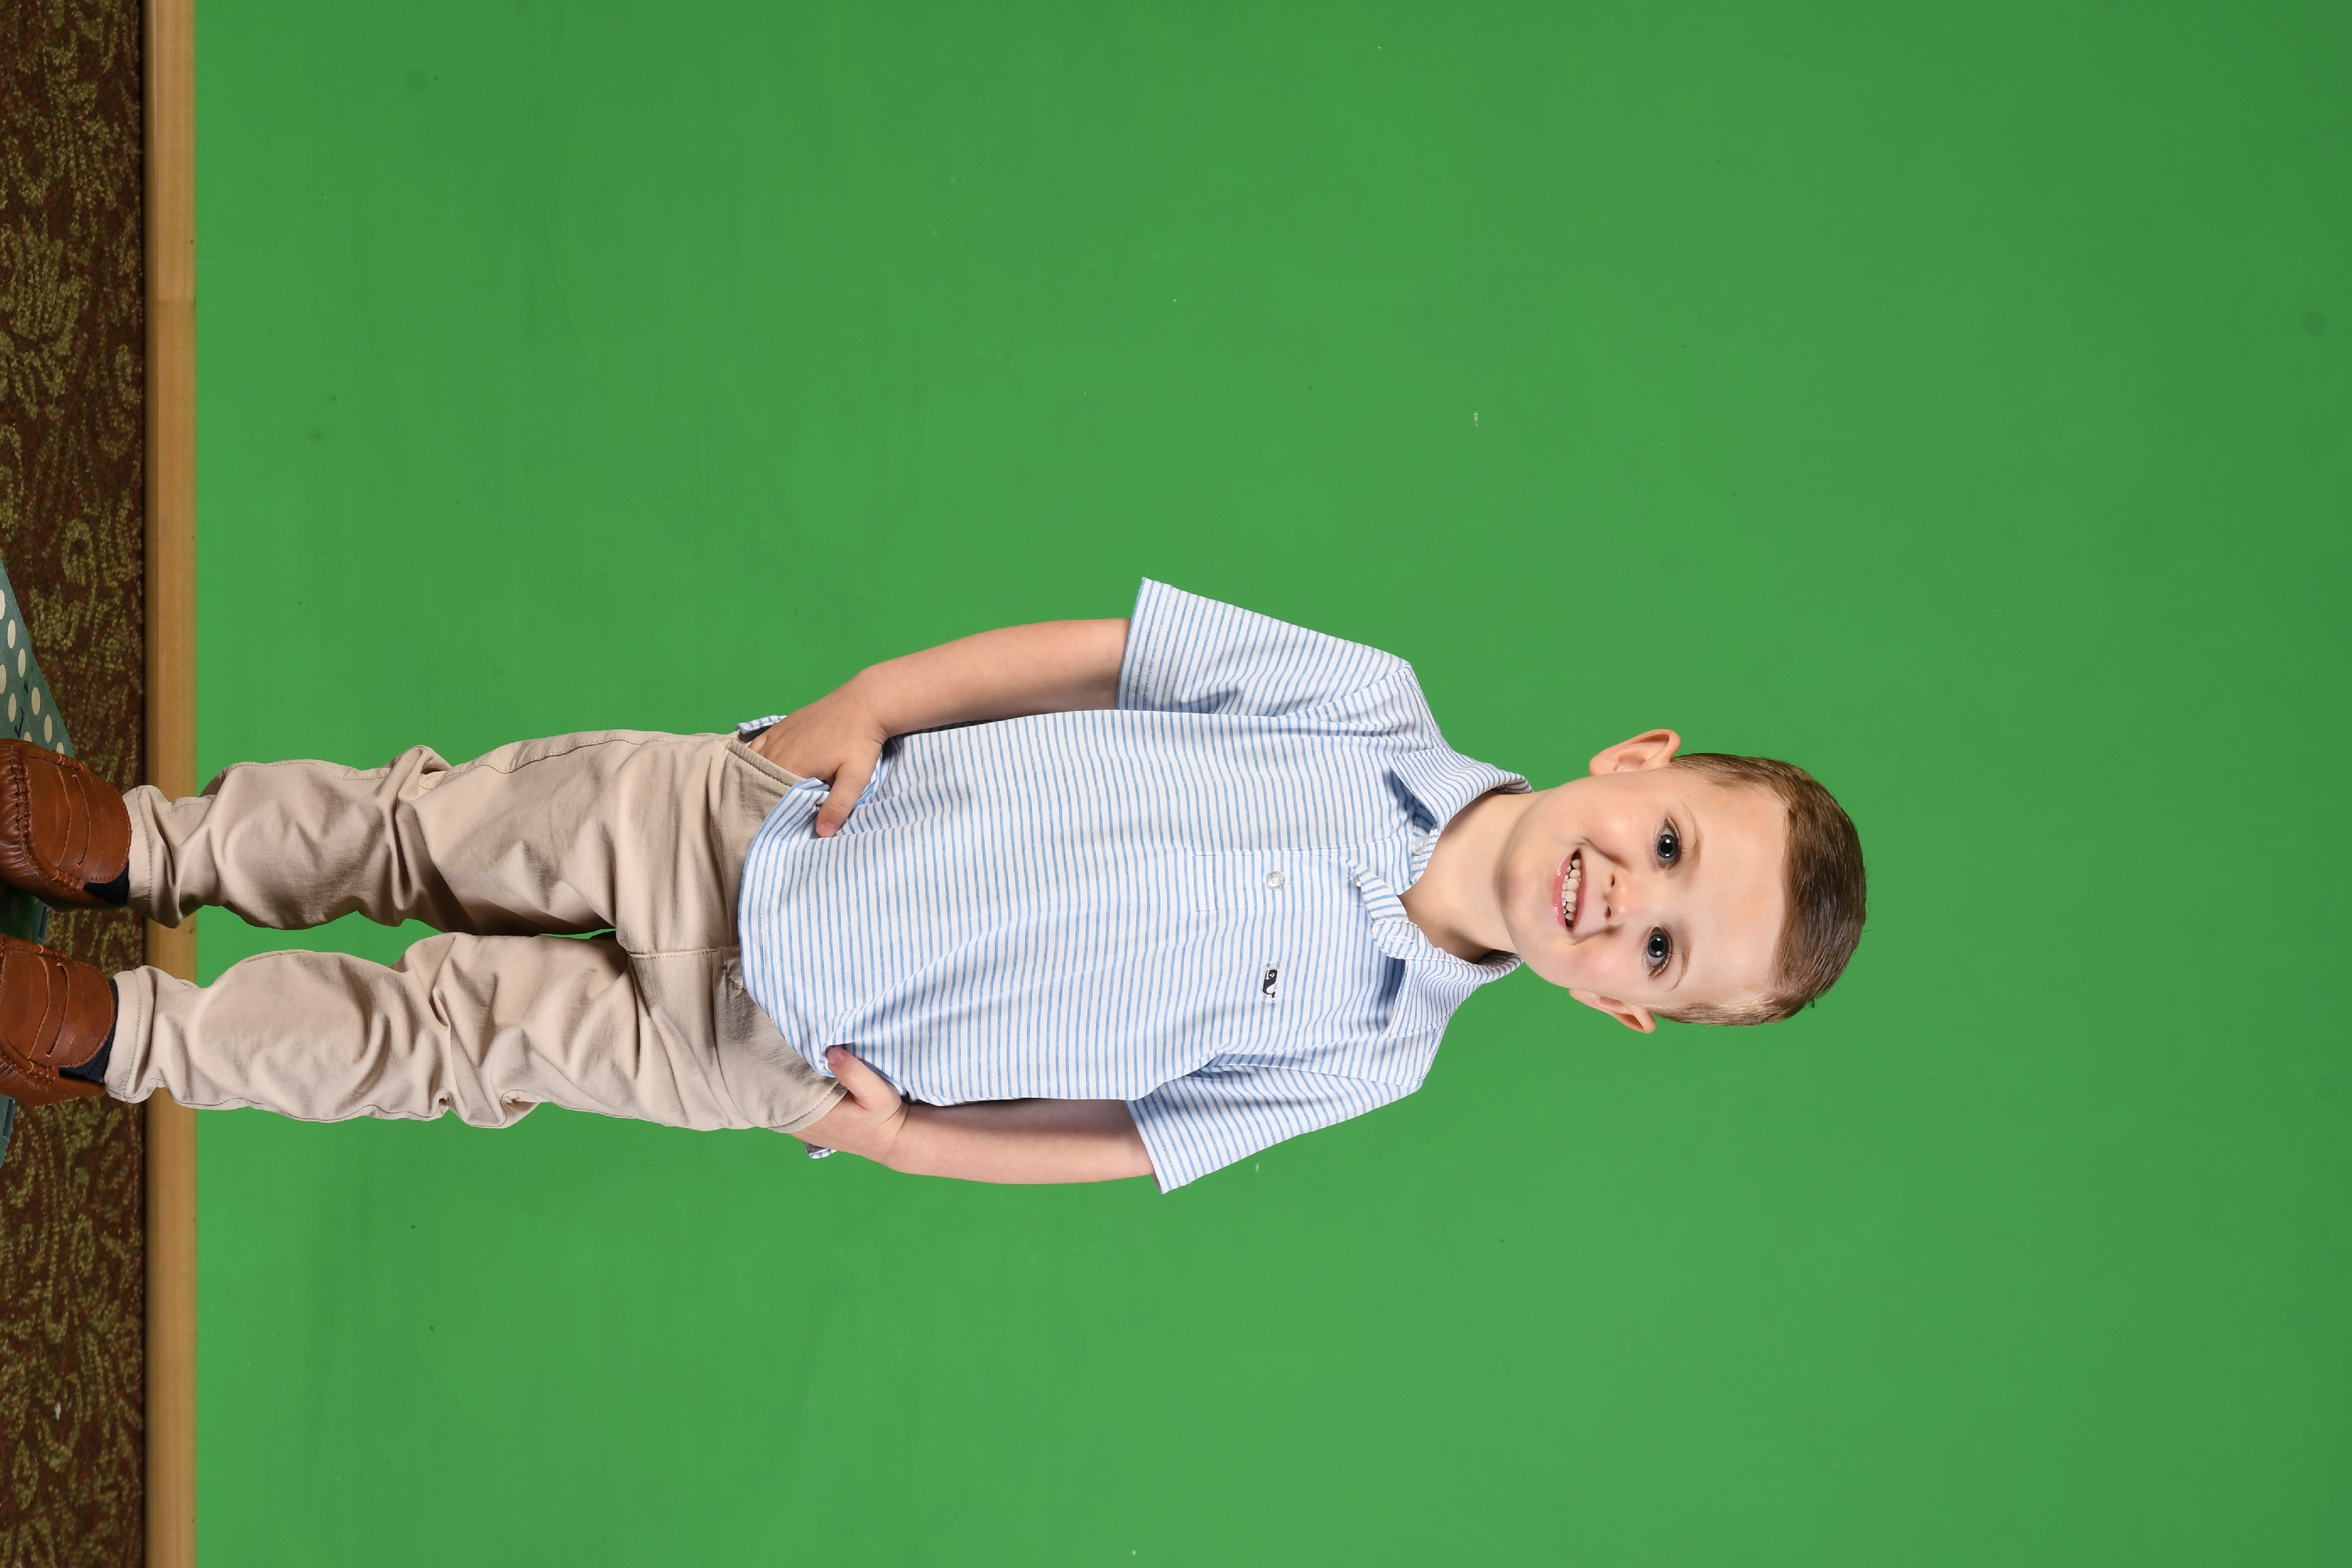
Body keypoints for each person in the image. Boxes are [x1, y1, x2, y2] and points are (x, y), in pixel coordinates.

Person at [0, 581, 1865, 1191]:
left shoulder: (1385, 1055)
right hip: (782, 817)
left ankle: (118, 1034)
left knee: (450, 1042)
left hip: (790, 1044)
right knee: (441, 828)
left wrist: (904, 1141)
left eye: (1664, 949)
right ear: (1641, 761)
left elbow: (1130, 1140)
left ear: (1621, 1007)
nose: (1625, 896)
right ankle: (143, 845)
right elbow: (1108, 656)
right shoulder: (1366, 701)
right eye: (1674, 847)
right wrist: (876, 702)